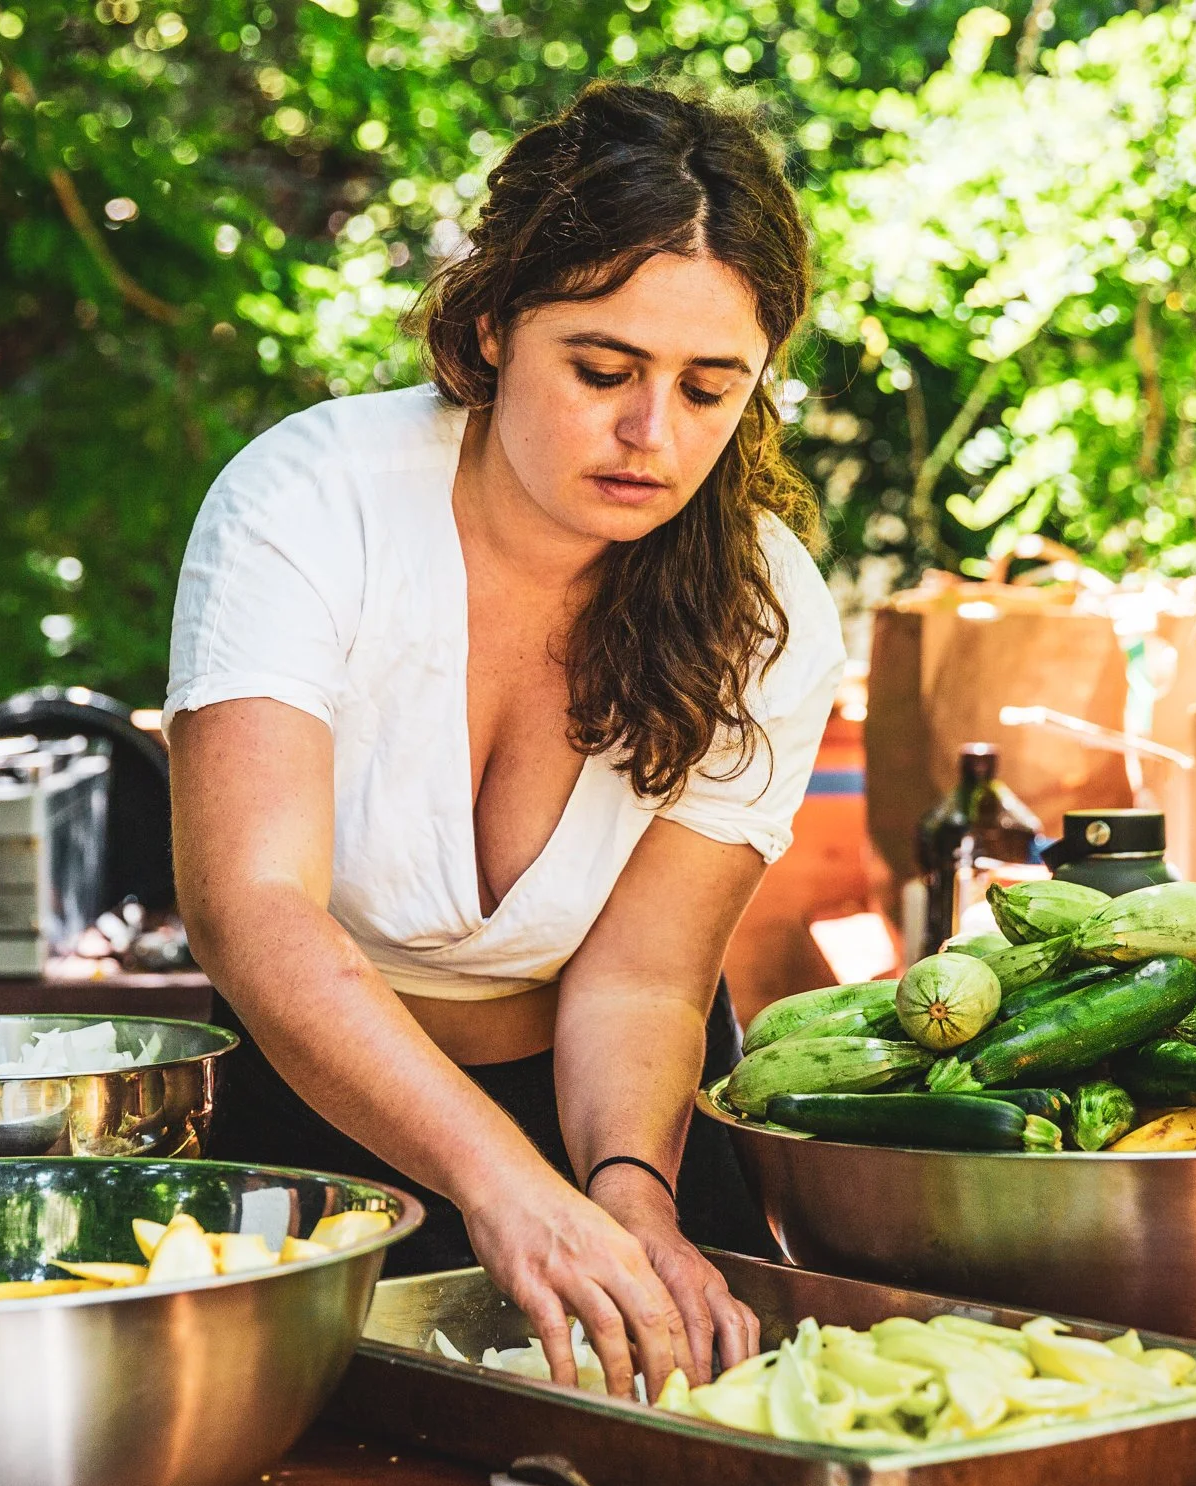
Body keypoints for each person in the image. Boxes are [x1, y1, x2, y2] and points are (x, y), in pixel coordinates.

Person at [166, 81, 842, 1396]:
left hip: (618, 1120)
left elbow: (647, 978)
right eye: (604, 371)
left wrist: (629, 1193)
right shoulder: (305, 508)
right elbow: (250, 906)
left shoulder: (766, 610)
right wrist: (501, 1186)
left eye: (712, 390)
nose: (653, 434)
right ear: (489, 329)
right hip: (316, 1106)